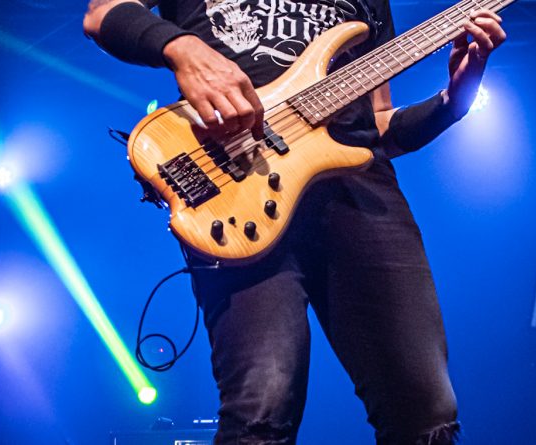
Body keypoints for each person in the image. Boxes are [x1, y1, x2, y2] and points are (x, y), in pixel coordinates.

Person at [83, 1, 505, 443]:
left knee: (424, 412)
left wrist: (452, 102)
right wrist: (185, 49)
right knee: (261, 410)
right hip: (238, 184)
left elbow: (378, 124)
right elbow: (101, 12)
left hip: (360, 188)